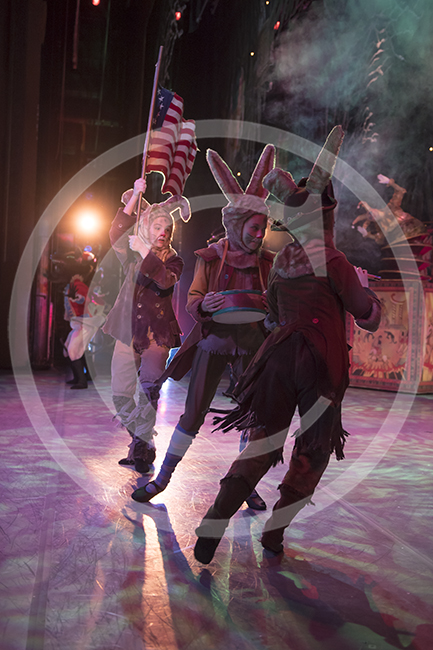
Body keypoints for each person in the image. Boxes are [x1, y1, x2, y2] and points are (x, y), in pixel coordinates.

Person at [193, 126, 382, 564]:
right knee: (312, 450)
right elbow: (367, 316)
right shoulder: (334, 260)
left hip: (278, 359)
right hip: (319, 366)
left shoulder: (281, 260)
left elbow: (274, 312)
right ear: (324, 217)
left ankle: (213, 523)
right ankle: (274, 534)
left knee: (262, 443)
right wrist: (366, 291)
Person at [131, 144, 276, 508]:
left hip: (253, 344)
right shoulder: (211, 258)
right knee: (193, 414)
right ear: (238, 225)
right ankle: (162, 479)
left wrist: (271, 308)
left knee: (253, 415)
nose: (260, 235)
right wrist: (204, 305)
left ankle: (245, 484)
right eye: (255, 228)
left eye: (263, 228)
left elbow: (279, 309)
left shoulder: (267, 262)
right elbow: (193, 299)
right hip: (214, 343)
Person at [103, 178, 190, 473]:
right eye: (157, 227)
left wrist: (145, 251)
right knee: (120, 394)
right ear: (146, 228)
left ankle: (141, 452)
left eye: (167, 228)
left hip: (157, 334)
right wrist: (135, 195)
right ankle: (142, 441)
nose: (162, 232)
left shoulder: (174, 261)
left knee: (149, 392)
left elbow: (164, 281)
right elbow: (116, 231)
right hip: (127, 330)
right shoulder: (131, 252)